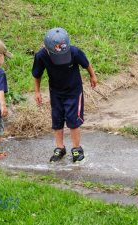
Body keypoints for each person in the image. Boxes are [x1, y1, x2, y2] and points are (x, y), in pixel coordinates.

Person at [32, 27, 97, 163]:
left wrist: (93, 76)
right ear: (47, 48)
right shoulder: (41, 56)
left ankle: (76, 149)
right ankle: (60, 148)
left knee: (73, 120)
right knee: (57, 119)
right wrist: (37, 91)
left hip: (74, 91)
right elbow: (37, 74)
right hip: (55, 91)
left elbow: (86, 64)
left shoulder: (73, 51)